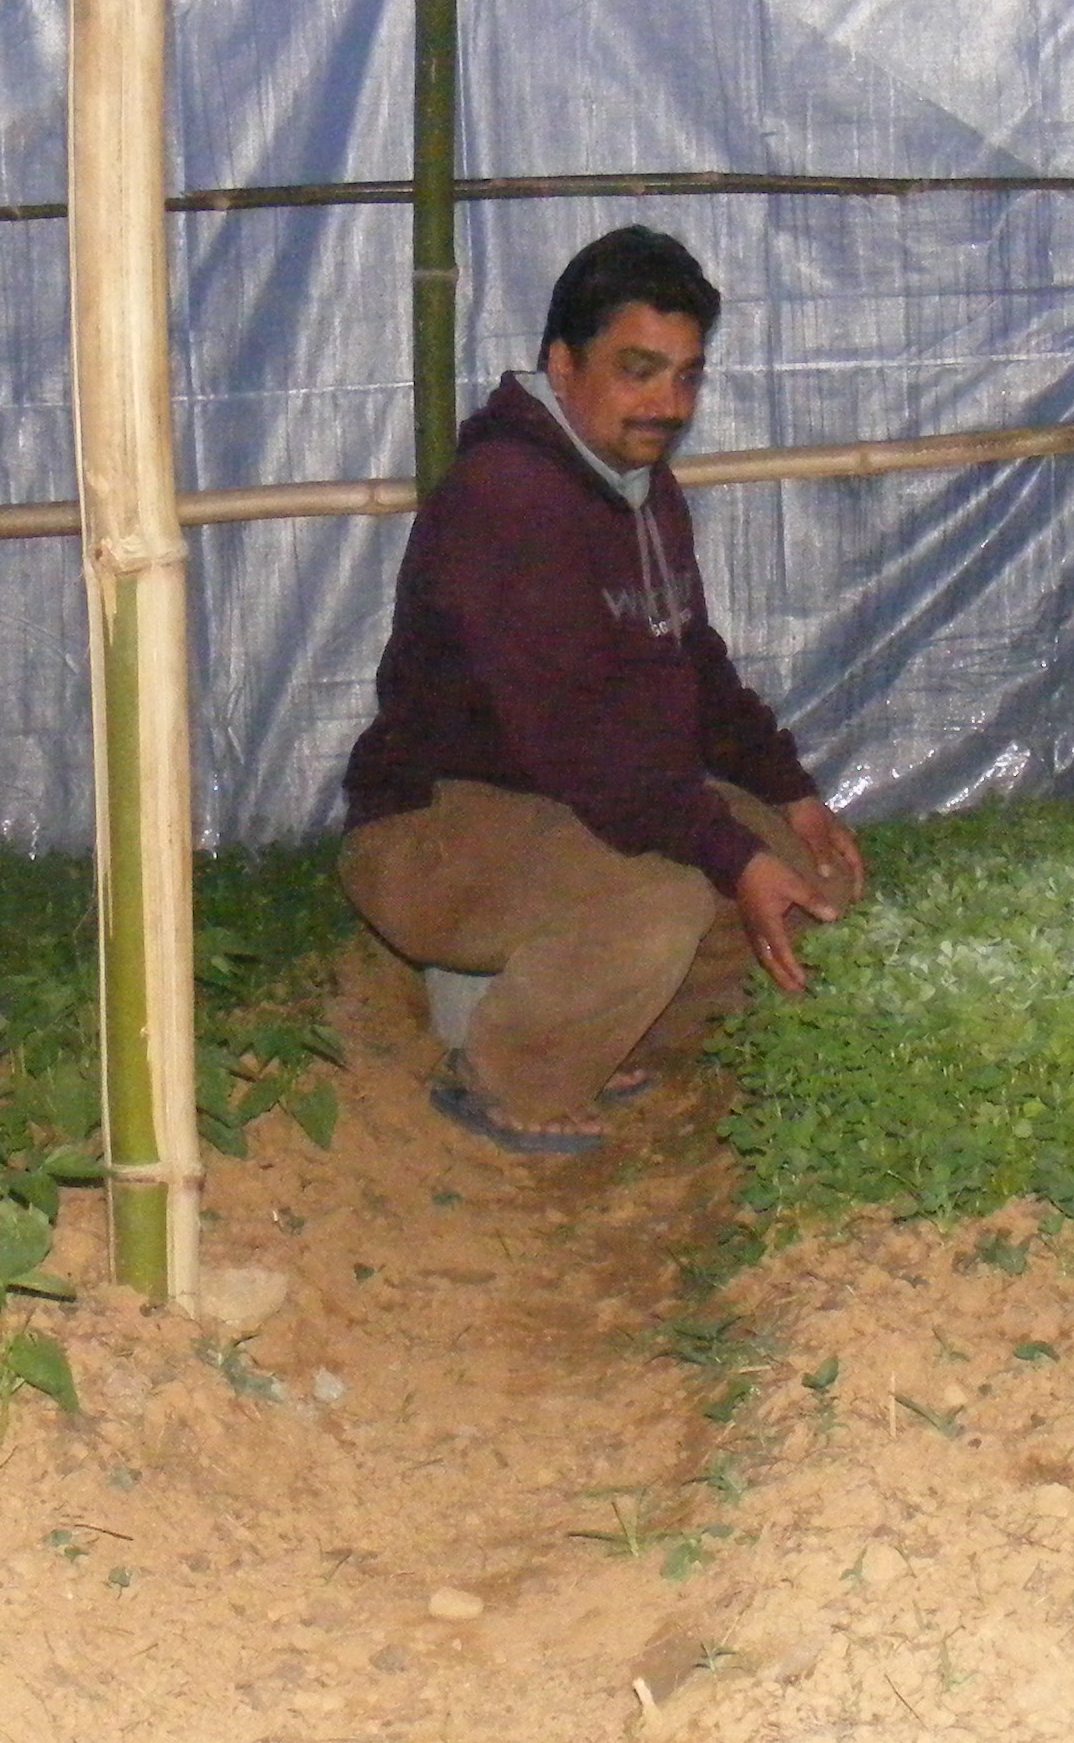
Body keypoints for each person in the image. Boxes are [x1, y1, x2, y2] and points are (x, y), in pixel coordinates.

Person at [338, 226, 864, 1156]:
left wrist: (789, 792)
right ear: (562, 363)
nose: (668, 404)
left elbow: (694, 664)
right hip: (440, 818)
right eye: (638, 370)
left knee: (810, 876)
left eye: (687, 376)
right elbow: (580, 740)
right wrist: (728, 852)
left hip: (569, 802)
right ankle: (503, 1075)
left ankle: (611, 1036)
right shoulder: (509, 497)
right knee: (657, 900)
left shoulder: (637, 484)